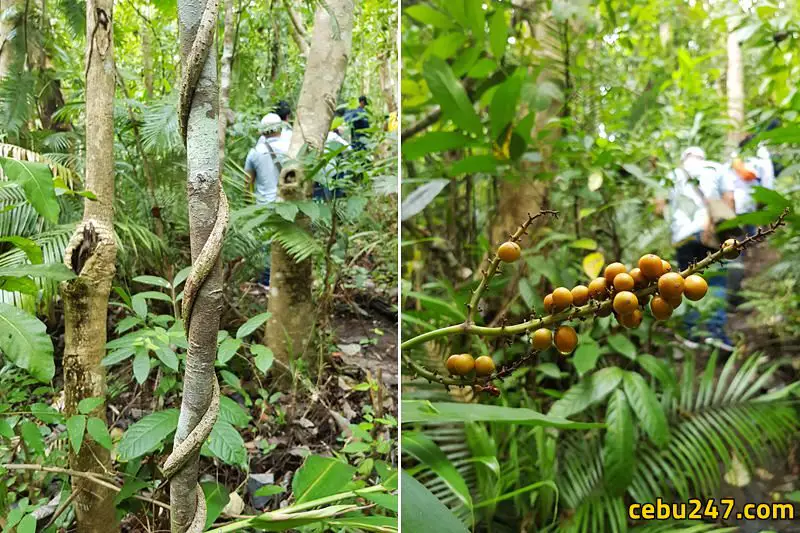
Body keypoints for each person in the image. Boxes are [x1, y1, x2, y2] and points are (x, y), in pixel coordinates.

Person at [656, 146, 736, 351]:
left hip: (682, 236)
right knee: (716, 281)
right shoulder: (716, 168)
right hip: (710, 232)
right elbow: (729, 200)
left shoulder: (672, 174)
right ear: (703, 156)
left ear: (684, 158)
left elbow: (658, 208)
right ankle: (715, 332)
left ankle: (690, 334)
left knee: (683, 284)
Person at [244, 113, 286, 287]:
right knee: (286, 242)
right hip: (287, 205)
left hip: (264, 206)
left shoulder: (255, 152)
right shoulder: (290, 147)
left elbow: (247, 183)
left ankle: (266, 281)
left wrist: (248, 207)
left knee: (266, 244)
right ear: (280, 128)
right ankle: (282, 279)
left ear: (262, 131)